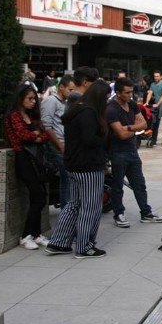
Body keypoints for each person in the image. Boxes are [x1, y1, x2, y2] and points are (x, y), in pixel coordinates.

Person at [45, 80, 110, 258]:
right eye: (105, 97)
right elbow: (90, 140)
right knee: (91, 207)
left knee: (73, 205)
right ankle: (83, 246)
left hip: (73, 165)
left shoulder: (76, 108)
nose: (107, 101)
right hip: (88, 167)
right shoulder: (89, 112)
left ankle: (58, 243)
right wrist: (105, 136)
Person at [107, 78, 162, 228]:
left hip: (132, 151)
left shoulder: (132, 104)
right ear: (118, 93)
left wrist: (128, 128)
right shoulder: (111, 109)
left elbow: (144, 124)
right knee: (118, 186)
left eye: (131, 92)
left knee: (139, 184)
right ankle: (118, 214)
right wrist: (134, 129)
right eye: (127, 92)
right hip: (117, 152)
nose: (130, 95)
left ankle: (146, 212)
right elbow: (120, 134)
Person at [4, 84, 52, 250]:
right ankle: (26, 236)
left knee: (41, 194)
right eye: (29, 99)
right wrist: (36, 136)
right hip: (23, 158)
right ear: (20, 99)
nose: (33, 102)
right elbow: (23, 135)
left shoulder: (32, 115)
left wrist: (36, 137)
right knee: (37, 194)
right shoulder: (14, 116)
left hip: (36, 158)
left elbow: (45, 134)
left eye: (34, 99)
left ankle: (36, 233)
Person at [40, 75, 75, 209]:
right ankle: (67, 213)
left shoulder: (65, 103)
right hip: (57, 146)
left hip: (65, 145)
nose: (72, 93)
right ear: (61, 87)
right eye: (70, 90)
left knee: (68, 180)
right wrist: (61, 146)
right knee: (67, 180)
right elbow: (46, 126)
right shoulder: (50, 101)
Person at [145, 70, 162, 146]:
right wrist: (147, 102)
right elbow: (150, 93)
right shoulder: (152, 84)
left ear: (161, 76)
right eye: (155, 76)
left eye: (157, 76)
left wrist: (158, 104)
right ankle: (154, 140)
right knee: (155, 123)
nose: (156, 77)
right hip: (156, 107)